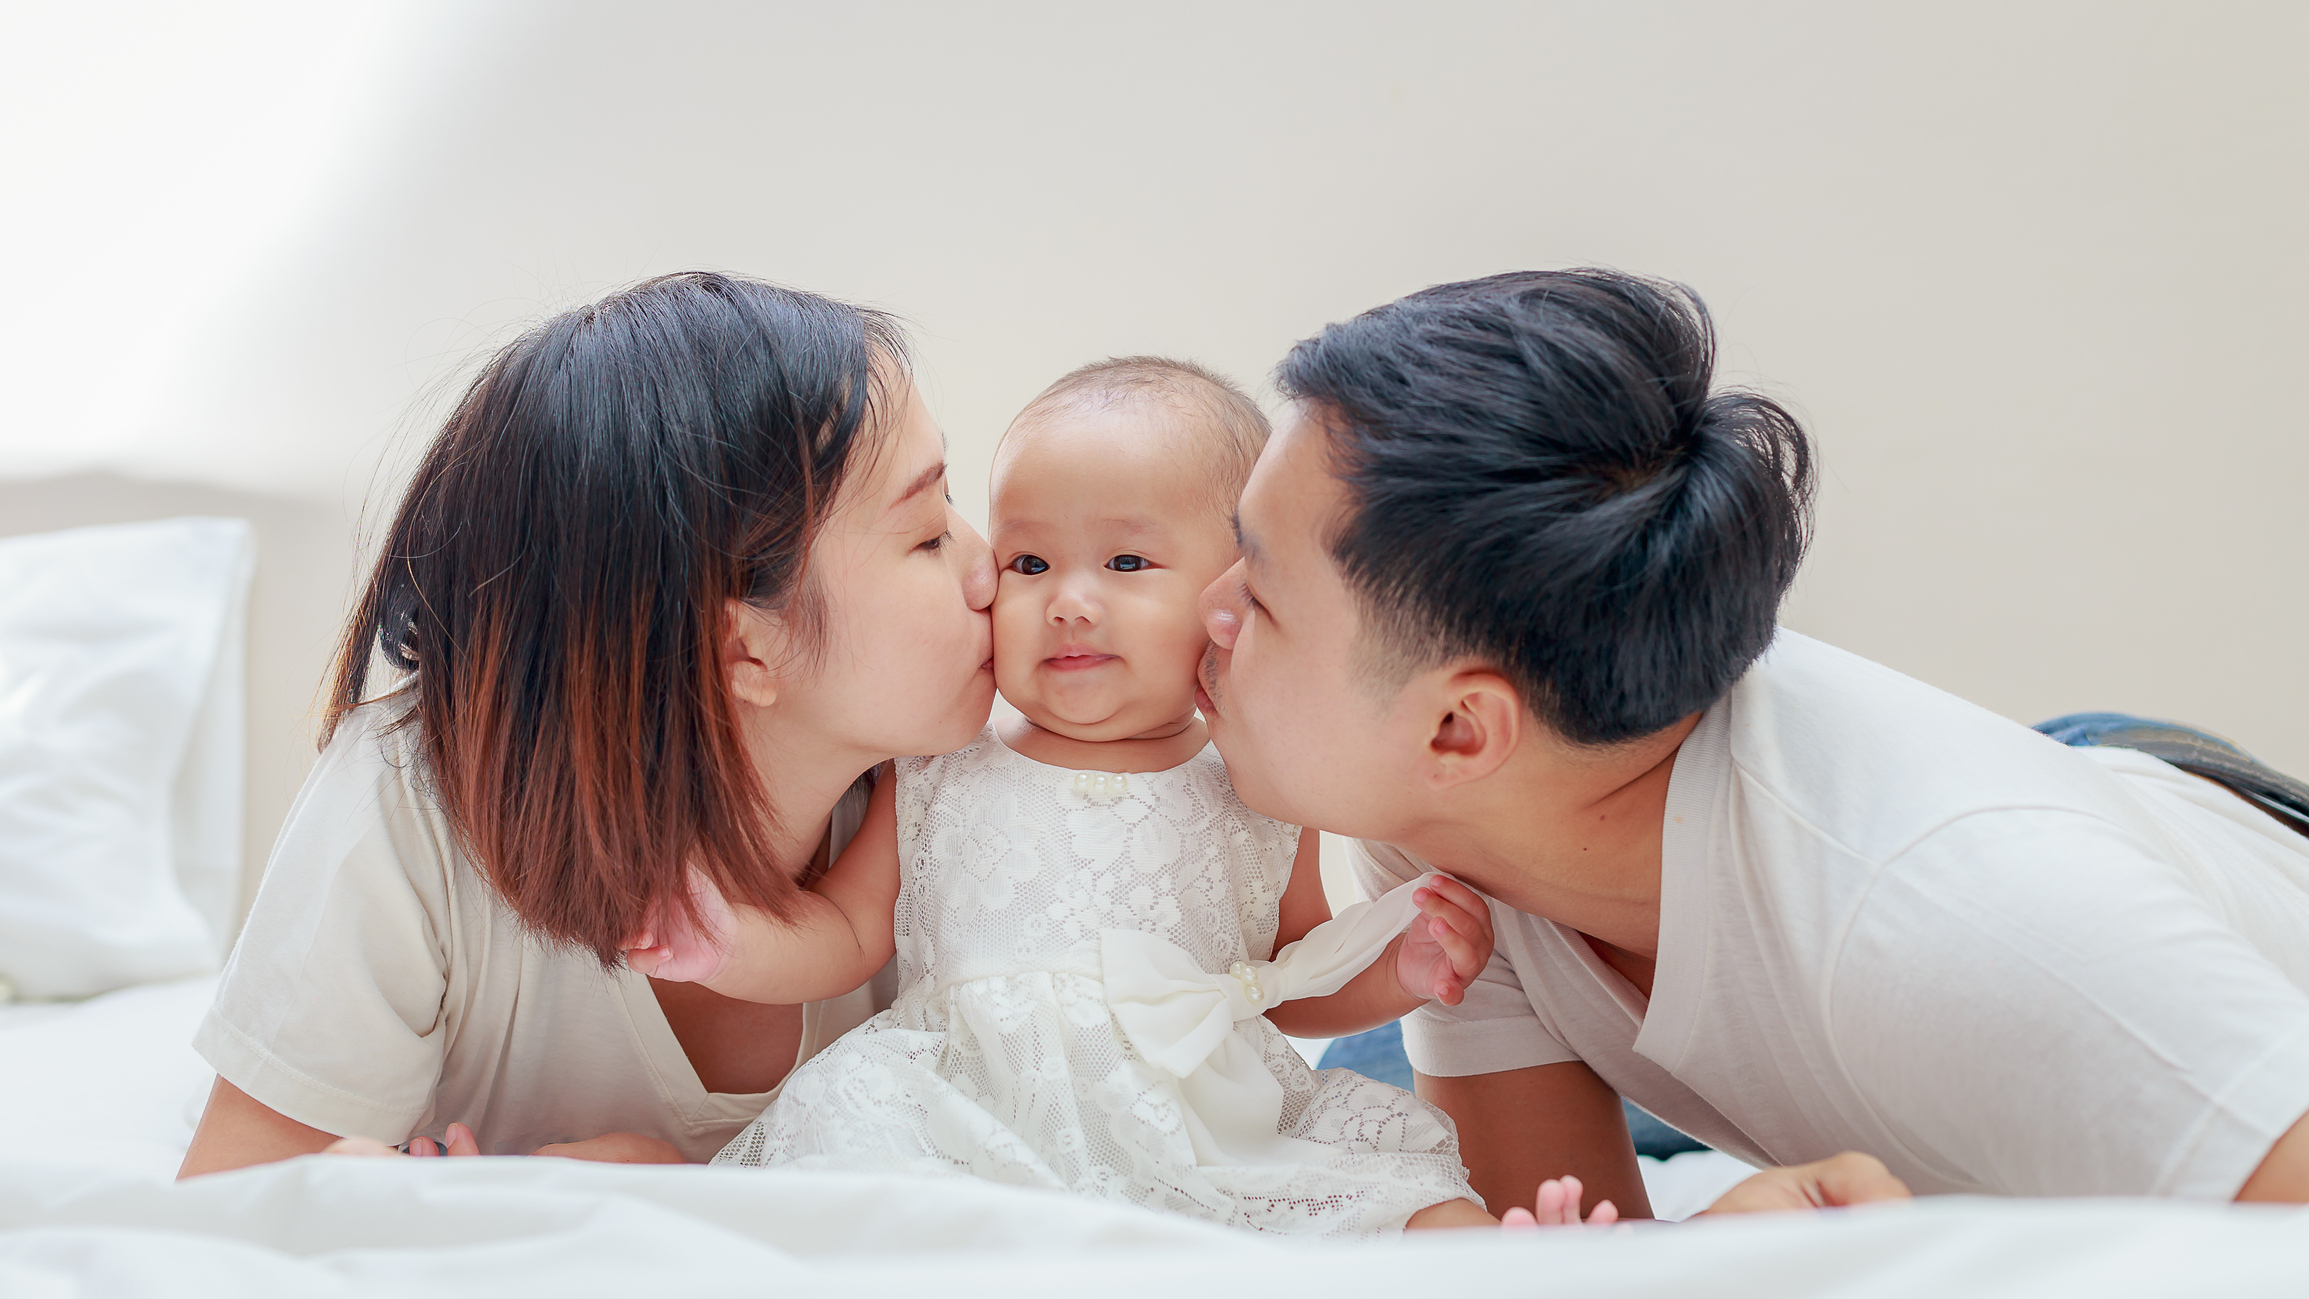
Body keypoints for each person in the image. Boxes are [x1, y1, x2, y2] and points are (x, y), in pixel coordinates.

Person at [1192, 268, 2309, 1218]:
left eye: (1263, 593)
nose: (1211, 608)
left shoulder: (1981, 930)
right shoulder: (1441, 811)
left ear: (1457, 728)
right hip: (1933, 836)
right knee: (1356, 1116)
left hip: (2142, 854)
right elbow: (1567, 1255)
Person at [633, 358, 1511, 1234]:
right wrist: (725, 943)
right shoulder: (943, 765)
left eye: (1126, 560)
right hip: (968, 1117)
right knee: (866, 1227)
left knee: (1409, 1213)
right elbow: (847, 934)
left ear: (1231, 598)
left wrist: (1399, 972)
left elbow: (1288, 975)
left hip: (1200, 1129)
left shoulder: (1255, 784)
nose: (1069, 602)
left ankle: (1542, 1268)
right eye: (1029, 561)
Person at [176, 272, 997, 1173]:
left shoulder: (965, 802)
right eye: (926, 533)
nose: (989, 567)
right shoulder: (412, 809)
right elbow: (228, 1213)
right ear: (743, 651)